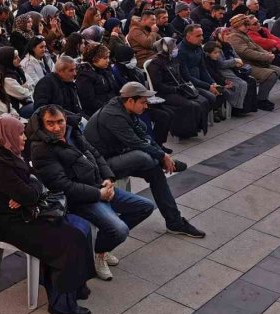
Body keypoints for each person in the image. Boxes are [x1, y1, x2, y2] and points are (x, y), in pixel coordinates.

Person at [0, 115, 95, 314]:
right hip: (13, 223)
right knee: (70, 240)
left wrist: (29, 190)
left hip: (27, 213)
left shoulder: (11, 154)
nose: (24, 138)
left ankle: (74, 286)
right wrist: (29, 192)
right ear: (7, 135)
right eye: (19, 134)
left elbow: (36, 179)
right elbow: (30, 192)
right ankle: (61, 303)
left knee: (82, 227)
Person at [28, 105, 155, 281]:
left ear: (65, 118)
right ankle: (101, 252)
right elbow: (62, 185)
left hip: (99, 186)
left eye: (60, 122)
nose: (57, 128)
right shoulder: (41, 148)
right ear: (42, 124)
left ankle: (102, 247)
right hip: (80, 199)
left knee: (145, 207)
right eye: (50, 123)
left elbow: (93, 153)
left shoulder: (72, 132)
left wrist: (108, 178)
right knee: (119, 230)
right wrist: (99, 194)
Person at [83, 83, 205, 238]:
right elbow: (135, 143)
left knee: (155, 171)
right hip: (101, 166)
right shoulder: (113, 116)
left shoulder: (126, 110)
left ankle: (174, 222)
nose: (146, 106)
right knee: (144, 157)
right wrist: (162, 157)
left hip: (117, 155)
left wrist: (161, 154)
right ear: (130, 101)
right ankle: (162, 164)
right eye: (143, 102)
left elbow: (144, 137)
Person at [145, 37, 211, 139]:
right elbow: (158, 85)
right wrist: (174, 89)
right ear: (165, 48)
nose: (176, 48)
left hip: (177, 88)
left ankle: (196, 128)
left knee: (203, 100)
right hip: (165, 92)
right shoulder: (155, 63)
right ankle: (184, 132)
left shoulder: (171, 59)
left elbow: (179, 77)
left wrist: (183, 86)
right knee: (189, 105)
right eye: (173, 46)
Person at [76, 44, 120, 117]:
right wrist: (112, 108)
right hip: (99, 114)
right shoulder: (84, 76)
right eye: (105, 58)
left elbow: (115, 90)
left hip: (112, 108)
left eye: (108, 57)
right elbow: (90, 102)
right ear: (95, 58)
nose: (108, 61)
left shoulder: (105, 71)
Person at [0, 46, 34, 116]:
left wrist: (26, 87)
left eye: (18, 56)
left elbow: (32, 83)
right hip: (16, 110)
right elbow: (24, 94)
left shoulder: (17, 70)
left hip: (27, 102)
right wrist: (27, 87)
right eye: (15, 58)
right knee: (43, 106)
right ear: (7, 60)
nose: (19, 59)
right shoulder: (5, 78)